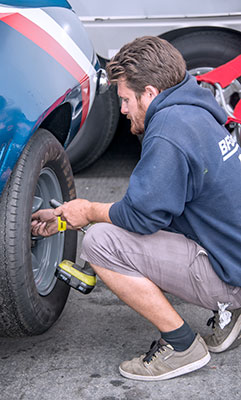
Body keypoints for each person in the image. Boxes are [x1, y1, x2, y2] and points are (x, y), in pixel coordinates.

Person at [31, 36, 241, 381]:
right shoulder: (194, 107)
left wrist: (86, 212)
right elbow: (152, 209)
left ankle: (181, 346)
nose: (124, 110)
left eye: (126, 100)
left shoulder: (168, 133)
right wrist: (67, 217)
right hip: (231, 253)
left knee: (100, 243)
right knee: (108, 226)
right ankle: (232, 308)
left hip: (227, 273)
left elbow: (139, 217)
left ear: (151, 93)